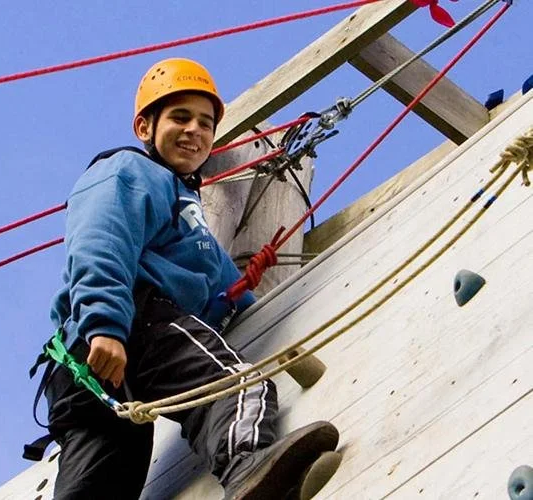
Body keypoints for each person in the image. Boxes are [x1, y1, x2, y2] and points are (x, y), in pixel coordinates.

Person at [41, 57, 340, 499]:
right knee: (236, 383)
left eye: (205, 123)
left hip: (81, 369)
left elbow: (225, 292)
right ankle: (248, 467)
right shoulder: (129, 171)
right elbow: (101, 240)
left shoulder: (192, 223)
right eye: (180, 117)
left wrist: (242, 299)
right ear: (144, 127)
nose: (194, 131)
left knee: (109, 470)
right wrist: (105, 323)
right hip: (135, 323)